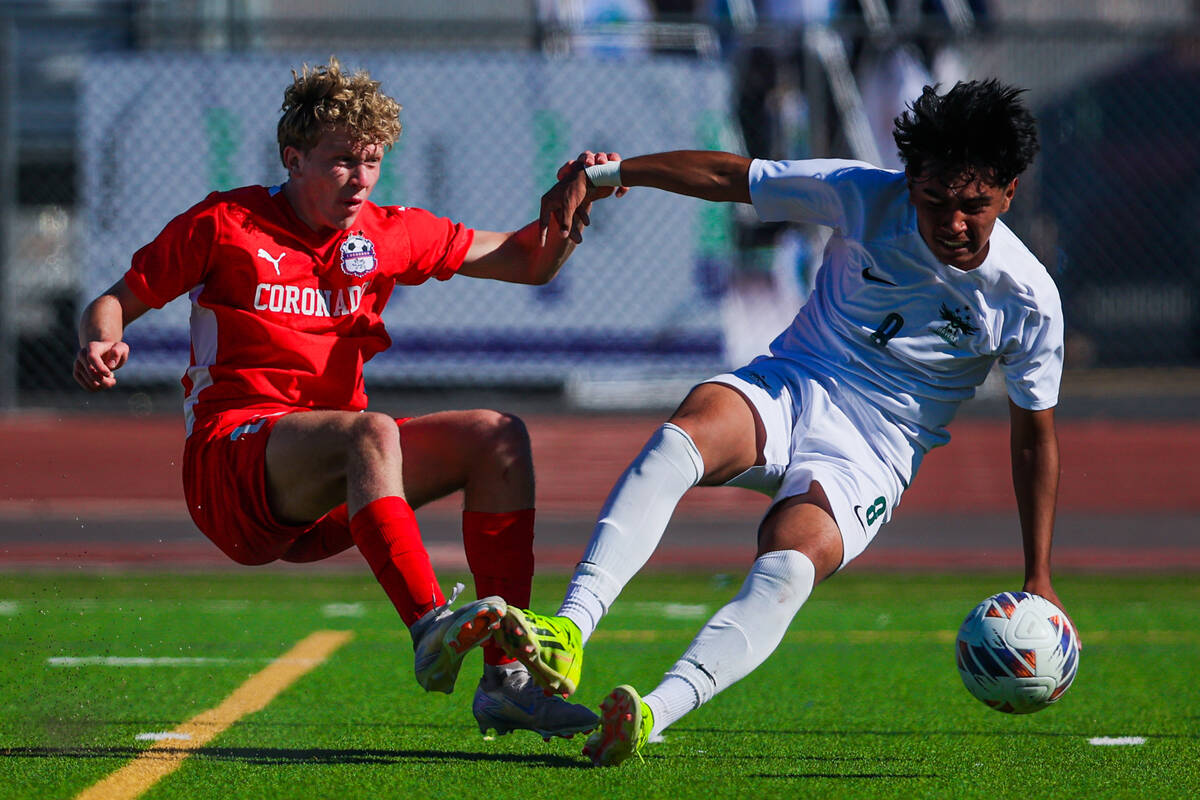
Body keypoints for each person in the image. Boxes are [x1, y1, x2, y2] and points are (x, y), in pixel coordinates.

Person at [499, 79, 1067, 765]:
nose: (952, 222)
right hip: (795, 381)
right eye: (935, 201)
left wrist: (1038, 573)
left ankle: (652, 714)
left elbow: (1034, 439)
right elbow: (728, 175)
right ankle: (569, 627)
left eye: (973, 207)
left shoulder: (1028, 298)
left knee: (789, 567)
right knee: (685, 435)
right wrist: (606, 174)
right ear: (911, 179)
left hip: (873, 453)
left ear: (1008, 192)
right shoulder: (864, 193)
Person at [72, 57, 617, 741]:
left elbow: (527, 261)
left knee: (498, 437)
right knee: (371, 431)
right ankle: (428, 628)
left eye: (371, 161)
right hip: (230, 468)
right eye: (340, 162)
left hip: (331, 482)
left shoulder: (387, 232)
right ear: (293, 158)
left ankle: (507, 680)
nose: (359, 180)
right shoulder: (226, 222)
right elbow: (114, 302)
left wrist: (570, 207)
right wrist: (101, 342)